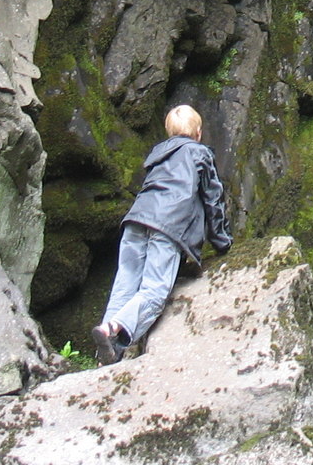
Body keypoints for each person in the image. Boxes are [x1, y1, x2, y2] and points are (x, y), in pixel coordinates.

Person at [91, 104, 231, 365]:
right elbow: (213, 199)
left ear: (169, 133)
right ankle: (115, 330)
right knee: (154, 292)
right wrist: (221, 241)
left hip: (135, 221)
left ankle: (106, 352)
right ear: (198, 133)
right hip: (167, 225)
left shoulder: (157, 155)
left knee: (125, 285)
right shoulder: (199, 154)